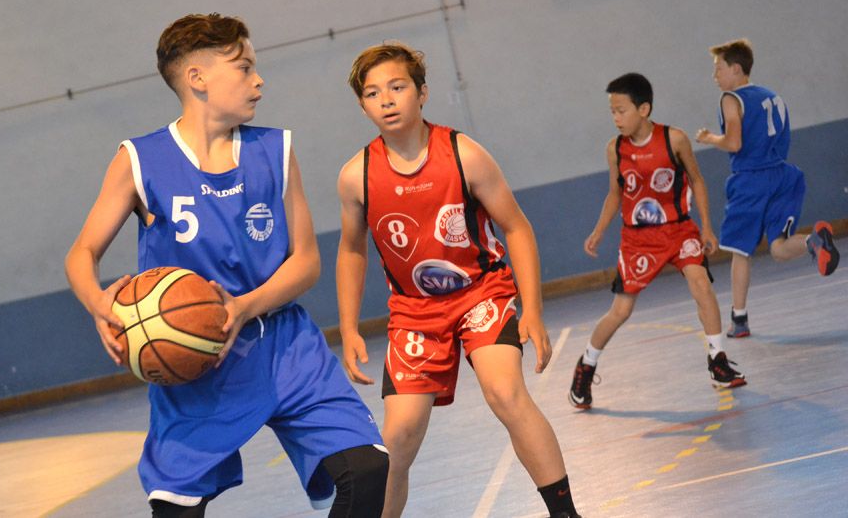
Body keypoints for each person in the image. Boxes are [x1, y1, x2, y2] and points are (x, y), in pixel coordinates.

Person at [64, 13, 389, 518]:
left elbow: (306, 262)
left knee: (368, 470)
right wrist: (98, 302)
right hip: (197, 359)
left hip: (283, 346)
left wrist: (243, 306)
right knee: (176, 509)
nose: (258, 80)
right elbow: (82, 253)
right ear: (197, 78)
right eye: (244, 68)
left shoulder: (274, 150)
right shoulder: (140, 160)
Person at [336, 43, 580, 518]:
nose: (386, 99)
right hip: (414, 311)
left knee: (505, 393)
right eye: (372, 93)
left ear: (422, 92)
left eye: (397, 87)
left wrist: (532, 309)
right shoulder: (355, 177)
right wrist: (347, 327)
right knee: (397, 437)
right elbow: (351, 250)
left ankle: (566, 513)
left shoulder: (463, 154)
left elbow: (516, 227)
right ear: (362, 106)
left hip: (480, 292)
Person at [569, 73, 746, 410]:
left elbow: (697, 180)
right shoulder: (615, 149)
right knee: (621, 310)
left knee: (701, 285)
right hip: (638, 239)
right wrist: (598, 230)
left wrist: (707, 227)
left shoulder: (674, 139)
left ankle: (717, 361)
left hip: (679, 230)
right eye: (612, 112)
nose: (616, 118)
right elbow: (615, 193)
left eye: (621, 110)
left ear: (644, 109)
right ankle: (586, 366)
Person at [695, 38, 839, 337]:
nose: (714, 76)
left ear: (736, 69)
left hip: (751, 179)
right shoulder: (773, 96)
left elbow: (734, 142)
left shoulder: (731, 99)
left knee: (740, 252)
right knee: (778, 248)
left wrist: (709, 138)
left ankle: (739, 321)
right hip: (785, 176)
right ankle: (814, 241)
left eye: (718, 69)